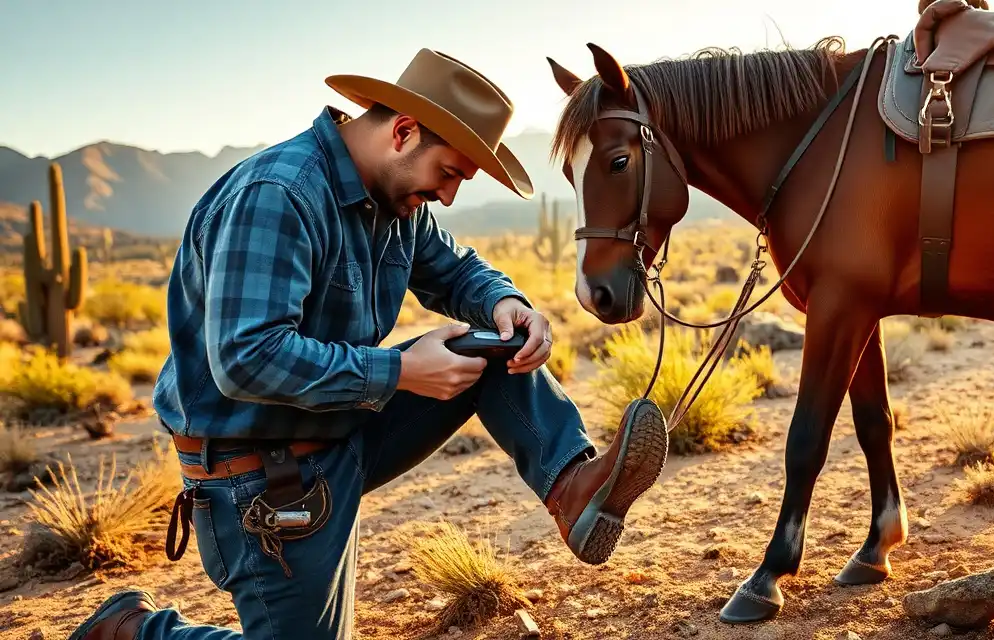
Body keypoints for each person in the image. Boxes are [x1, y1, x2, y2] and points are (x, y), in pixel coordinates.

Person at [68, 48, 669, 640]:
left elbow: (455, 269)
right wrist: (400, 372)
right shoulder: (280, 195)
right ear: (404, 132)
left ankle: (572, 484)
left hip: (338, 429)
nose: (451, 195)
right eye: (452, 172)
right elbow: (245, 359)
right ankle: (132, 631)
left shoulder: (394, 198)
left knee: (489, 343)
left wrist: (504, 303)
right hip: (261, 473)